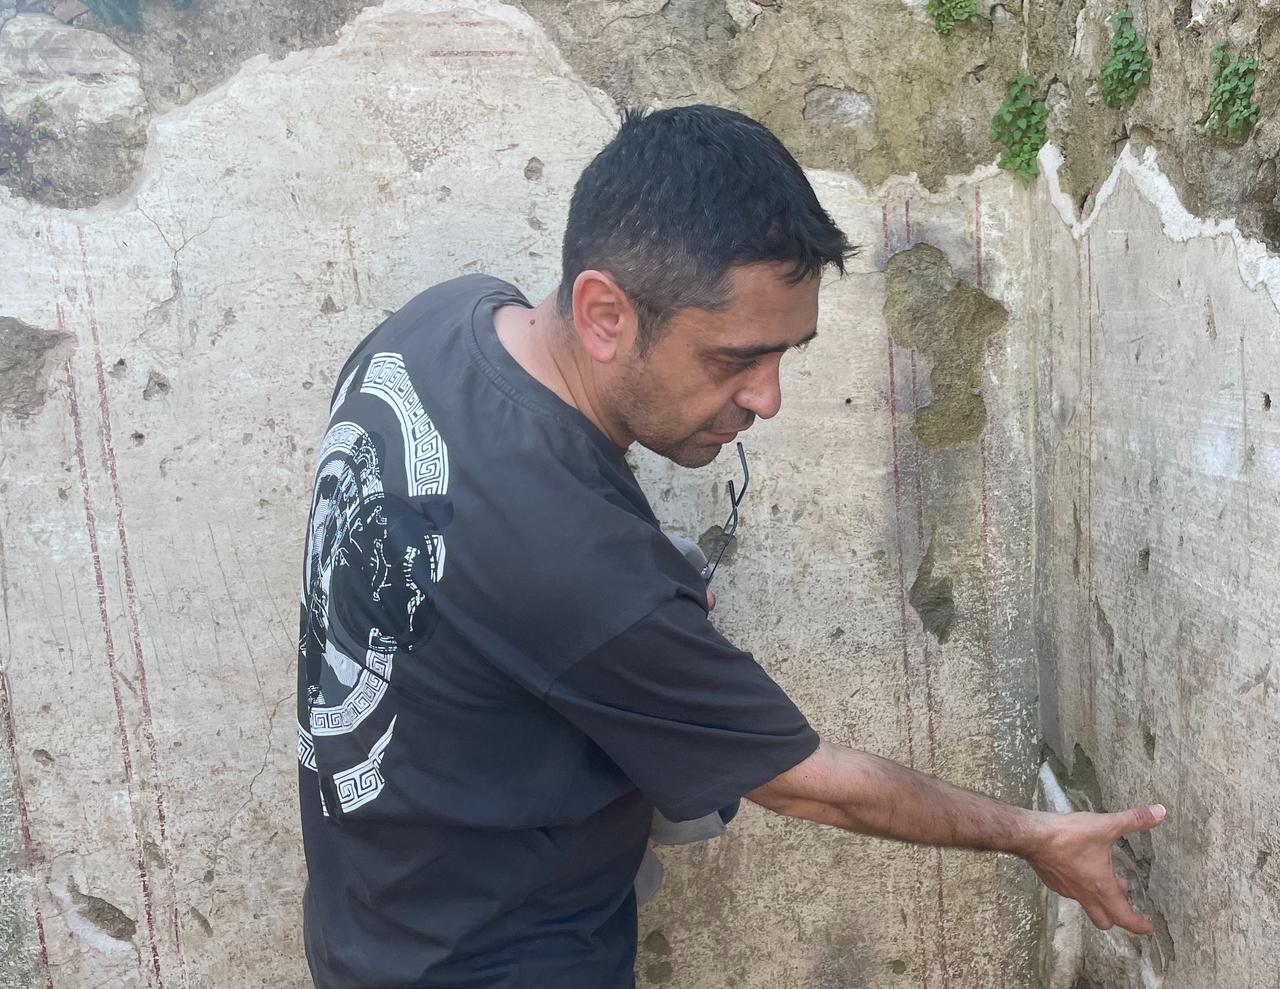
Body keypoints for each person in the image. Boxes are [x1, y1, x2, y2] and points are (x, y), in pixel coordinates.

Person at [295, 104, 1164, 989]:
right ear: (604, 313)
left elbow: (485, 554)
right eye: (733, 360)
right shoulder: (582, 571)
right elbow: (809, 782)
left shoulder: (438, 326)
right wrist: (1036, 835)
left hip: (369, 924)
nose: (769, 398)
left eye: (787, 353)